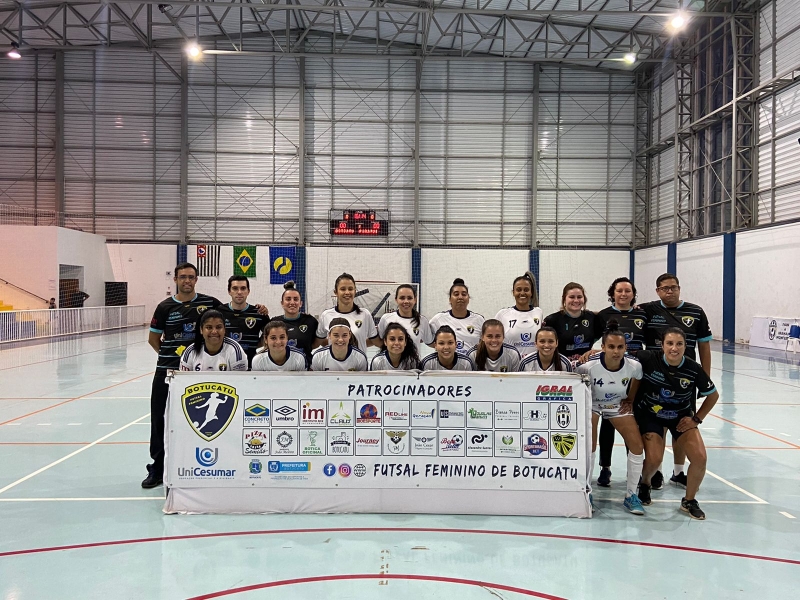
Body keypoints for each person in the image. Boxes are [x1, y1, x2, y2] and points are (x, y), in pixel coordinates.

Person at [144, 262, 221, 489]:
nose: (187, 280)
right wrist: (170, 357)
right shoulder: (164, 307)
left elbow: (231, 313)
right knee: (159, 418)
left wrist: (260, 309)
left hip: (197, 374)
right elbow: (153, 339)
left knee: (198, 419)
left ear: (196, 279)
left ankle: (198, 464)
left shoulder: (209, 303)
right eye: (182, 277)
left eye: (191, 277)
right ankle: (158, 467)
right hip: (167, 372)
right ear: (175, 279)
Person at [634, 327, 719, 520]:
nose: (674, 348)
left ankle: (689, 500)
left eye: (679, 344)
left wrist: (696, 419)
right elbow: (619, 353)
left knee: (700, 458)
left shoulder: (693, 368)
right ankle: (645, 483)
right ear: (662, 345)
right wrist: (594, 353)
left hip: (680, 418)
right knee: (655, 459)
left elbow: (713, 396)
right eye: (670, 343)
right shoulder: (648, 358)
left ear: (686, 346)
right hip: (651, 415)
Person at [640, 273, 713, 490]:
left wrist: (704, 378)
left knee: (681, 423)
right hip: (655, 378)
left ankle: (678, 472)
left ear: (679, 288)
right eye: (665, 288)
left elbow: (704, 346)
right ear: (657, 291)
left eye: (673, 287)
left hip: (685, 379)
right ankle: (657, 471)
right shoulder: (648, 310)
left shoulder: (696, 312)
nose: (669, 291)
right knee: (660, 422)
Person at [576, 320, 646, 515]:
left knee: (637, 446)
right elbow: (575, 383)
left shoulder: (633, 366)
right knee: (590, 445)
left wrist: (630, 399)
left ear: (625, 348)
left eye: (620, 347)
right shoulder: (588, 366)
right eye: (611, 347)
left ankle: (631, 495)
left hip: (616, 405)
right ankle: (586, 491)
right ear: (603, 347)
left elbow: (638, 379)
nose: (616, 351)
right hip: (592, 405)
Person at [594, 277, 649, 488]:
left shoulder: (642, 314)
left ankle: (633, 471)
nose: (624, 294)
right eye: (619, 291)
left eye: (628, 291)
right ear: (613, 294)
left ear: (633, 294)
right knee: (608, 422)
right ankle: (605, 467)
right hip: (611, 371)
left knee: (631, 420)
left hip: (633, 372)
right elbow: (594, 338)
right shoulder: (603, 315)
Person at [315, 273, 381, 351]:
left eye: (350, 289)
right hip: (334, 359)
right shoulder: (326, 315)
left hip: (359, 359)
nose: (347, 292)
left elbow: (375, 341)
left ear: (355, 291)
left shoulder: (365, 314)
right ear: (335, 292)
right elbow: (319, 341)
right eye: (343, 289)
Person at [543, 282, 605, 364]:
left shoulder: (592, 318)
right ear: (564, 299)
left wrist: (596, 351)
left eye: (579, 297)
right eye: (572, 297)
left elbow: (607, 343)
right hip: (561, 365)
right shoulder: (552, 320)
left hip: (586, 364)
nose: (576, 300)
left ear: (584, 299)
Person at [216, 275, 270, 366]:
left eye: (243, 288)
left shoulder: (259, 313)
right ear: (229, 291)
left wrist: (259, 348)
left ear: (248, 291)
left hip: (252, 365)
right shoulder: (219, 312)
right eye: (235, 288)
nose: (239, 292)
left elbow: (270, 335)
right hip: (225, 365)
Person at [179, 309, 248, 372]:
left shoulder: (235, 350)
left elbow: (240, 380)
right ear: (201, 330)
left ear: (224, 329)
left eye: (219, 327)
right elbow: (183, 379)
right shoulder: (190, 352)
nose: (214, 331)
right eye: (209, 327)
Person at [428, 278, 485, 354]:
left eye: (464, 294)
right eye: (456, 294)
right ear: (450, 299)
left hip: (473, 361)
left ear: (468, 298)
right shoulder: (438, 319)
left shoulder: (479, 320)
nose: (460, 297)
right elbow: (427, 340)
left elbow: (485, 343)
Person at [494, 272, 543, 358]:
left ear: (531, 292)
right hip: (510, 363)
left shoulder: (538, 312)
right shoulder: (502, 314)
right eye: (519, 290)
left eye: (526, 290)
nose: (522, 293)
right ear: (513, 292)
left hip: (533, 364)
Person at [270, 280, 319, 365]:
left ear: (301, 303)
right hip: (280, 368)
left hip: (305, 367)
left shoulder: (310, 321)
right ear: (282, 303)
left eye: (296, 299)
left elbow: (318, 342)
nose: (292, 302)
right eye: (288, 299)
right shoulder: (274, 322)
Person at [377, 284, 433, 351]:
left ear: (415, 300)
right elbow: (379, 341)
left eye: (409, 298)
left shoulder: (422, 321)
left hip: (414, 358)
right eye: (402, 298)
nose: (406, 301)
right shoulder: (386, 318)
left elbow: (430, 342)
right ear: (396, 300)